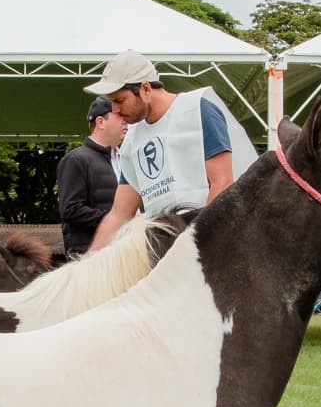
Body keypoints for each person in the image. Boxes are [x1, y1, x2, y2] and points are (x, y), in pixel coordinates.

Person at [83, 50, 257, 249]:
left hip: (212, 245)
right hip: (164, 248)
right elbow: (119, 214)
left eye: (119, 100)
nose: (114, 109)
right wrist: (86, 264)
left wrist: (197, 248)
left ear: (146, 89)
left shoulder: (198, 110)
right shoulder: (132, 139)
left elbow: (222, 183)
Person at [57, 96, 129, 258]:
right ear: (100, 122)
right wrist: (119, 219)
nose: (126, 121)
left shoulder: (126, 159)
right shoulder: (75, 160)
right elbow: (71, 210)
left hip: (124, 254)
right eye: (119, 116)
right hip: (91, 259)